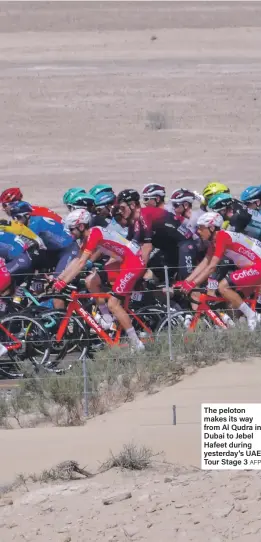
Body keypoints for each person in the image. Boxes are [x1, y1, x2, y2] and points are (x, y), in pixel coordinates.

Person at [52, 209, 146, 351]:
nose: (71, 233)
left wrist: (63, 283)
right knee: (91, 281)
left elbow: (81, 263)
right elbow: (76, 259)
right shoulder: (88, 236)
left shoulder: (94, 235)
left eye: (72, 229)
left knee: (114, 304)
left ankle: (137, 344)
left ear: (81, 226)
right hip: (124, 261)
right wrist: (59, 278)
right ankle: (107, 320)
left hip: (133, 263)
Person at [176, 211, 261, 330]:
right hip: (253, 266)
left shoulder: (222, 237)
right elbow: (204, 263)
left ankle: (252, 316)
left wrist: (193, 284)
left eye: (201, 228)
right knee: (233, 303)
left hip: (258, 265)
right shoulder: (214, 242)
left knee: (223, 287)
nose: (198, 231)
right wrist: (187, 281)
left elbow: (212, 267)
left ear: (211, 228)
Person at [116, 189, 199, 282]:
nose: (120, 211)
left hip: (185, 244)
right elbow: (126, 247)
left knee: (186, 283)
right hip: (169, 247)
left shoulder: (144, 215)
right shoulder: (134, 222)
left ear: (132, 205)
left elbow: (147, 248)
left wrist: (133, 276)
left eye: (122, 208)